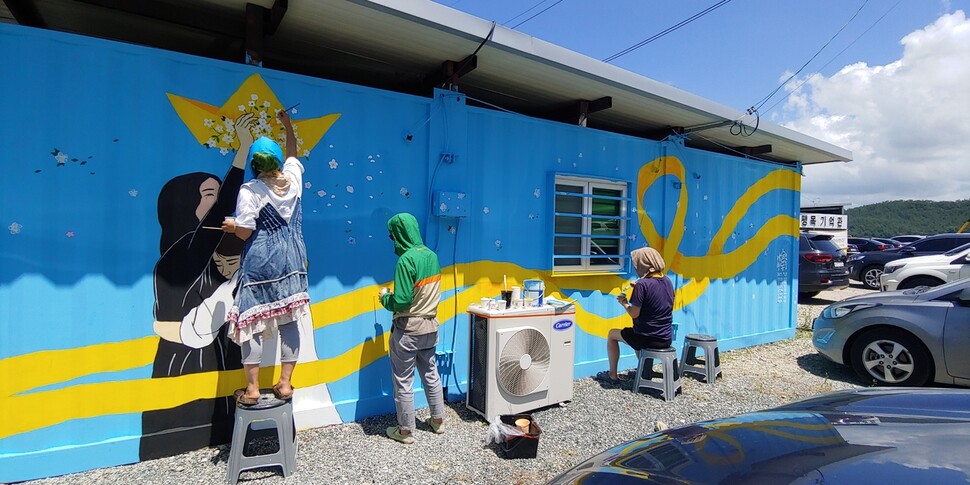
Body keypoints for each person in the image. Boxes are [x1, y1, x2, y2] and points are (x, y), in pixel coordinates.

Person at [141, 114, 251, 459]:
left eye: (217, 195)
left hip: (216, 349)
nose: (217, 204)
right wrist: (243, 150)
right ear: (183, 204)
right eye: (208, 195)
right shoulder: (183, 250)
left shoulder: (202, 251)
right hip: (188, 359)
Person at [222, 109, 309, 405]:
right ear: (277, 161)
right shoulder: (294, 182)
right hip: (294, 258)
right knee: (288, 321)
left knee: (250, 323)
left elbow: (245, 232)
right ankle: (284, 384)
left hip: (261, 261)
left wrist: (234, 225)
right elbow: (293, 155)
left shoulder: (251, 190)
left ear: (254, 164)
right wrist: (287, 126)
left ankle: (253, 389)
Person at [379, 212, 446, 444]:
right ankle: (438, 421)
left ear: (399, 234)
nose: (392, 240)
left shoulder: (405, 260)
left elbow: (403, 300)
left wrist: (386, 298)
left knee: (403, 381)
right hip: (430, 327)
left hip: (408, 329)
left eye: (392, 235)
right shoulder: (432, 256)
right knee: (431, 373)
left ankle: (406, 431)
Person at [602, 247, 674, 383]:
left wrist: (624, 303)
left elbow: (634, 314)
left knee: (612, 335)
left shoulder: (642, 285)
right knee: (634, 336)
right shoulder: (667, 281)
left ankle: (612, 375)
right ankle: (643, 372)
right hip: (665, 338)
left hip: (646, 338)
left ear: (644, 265)